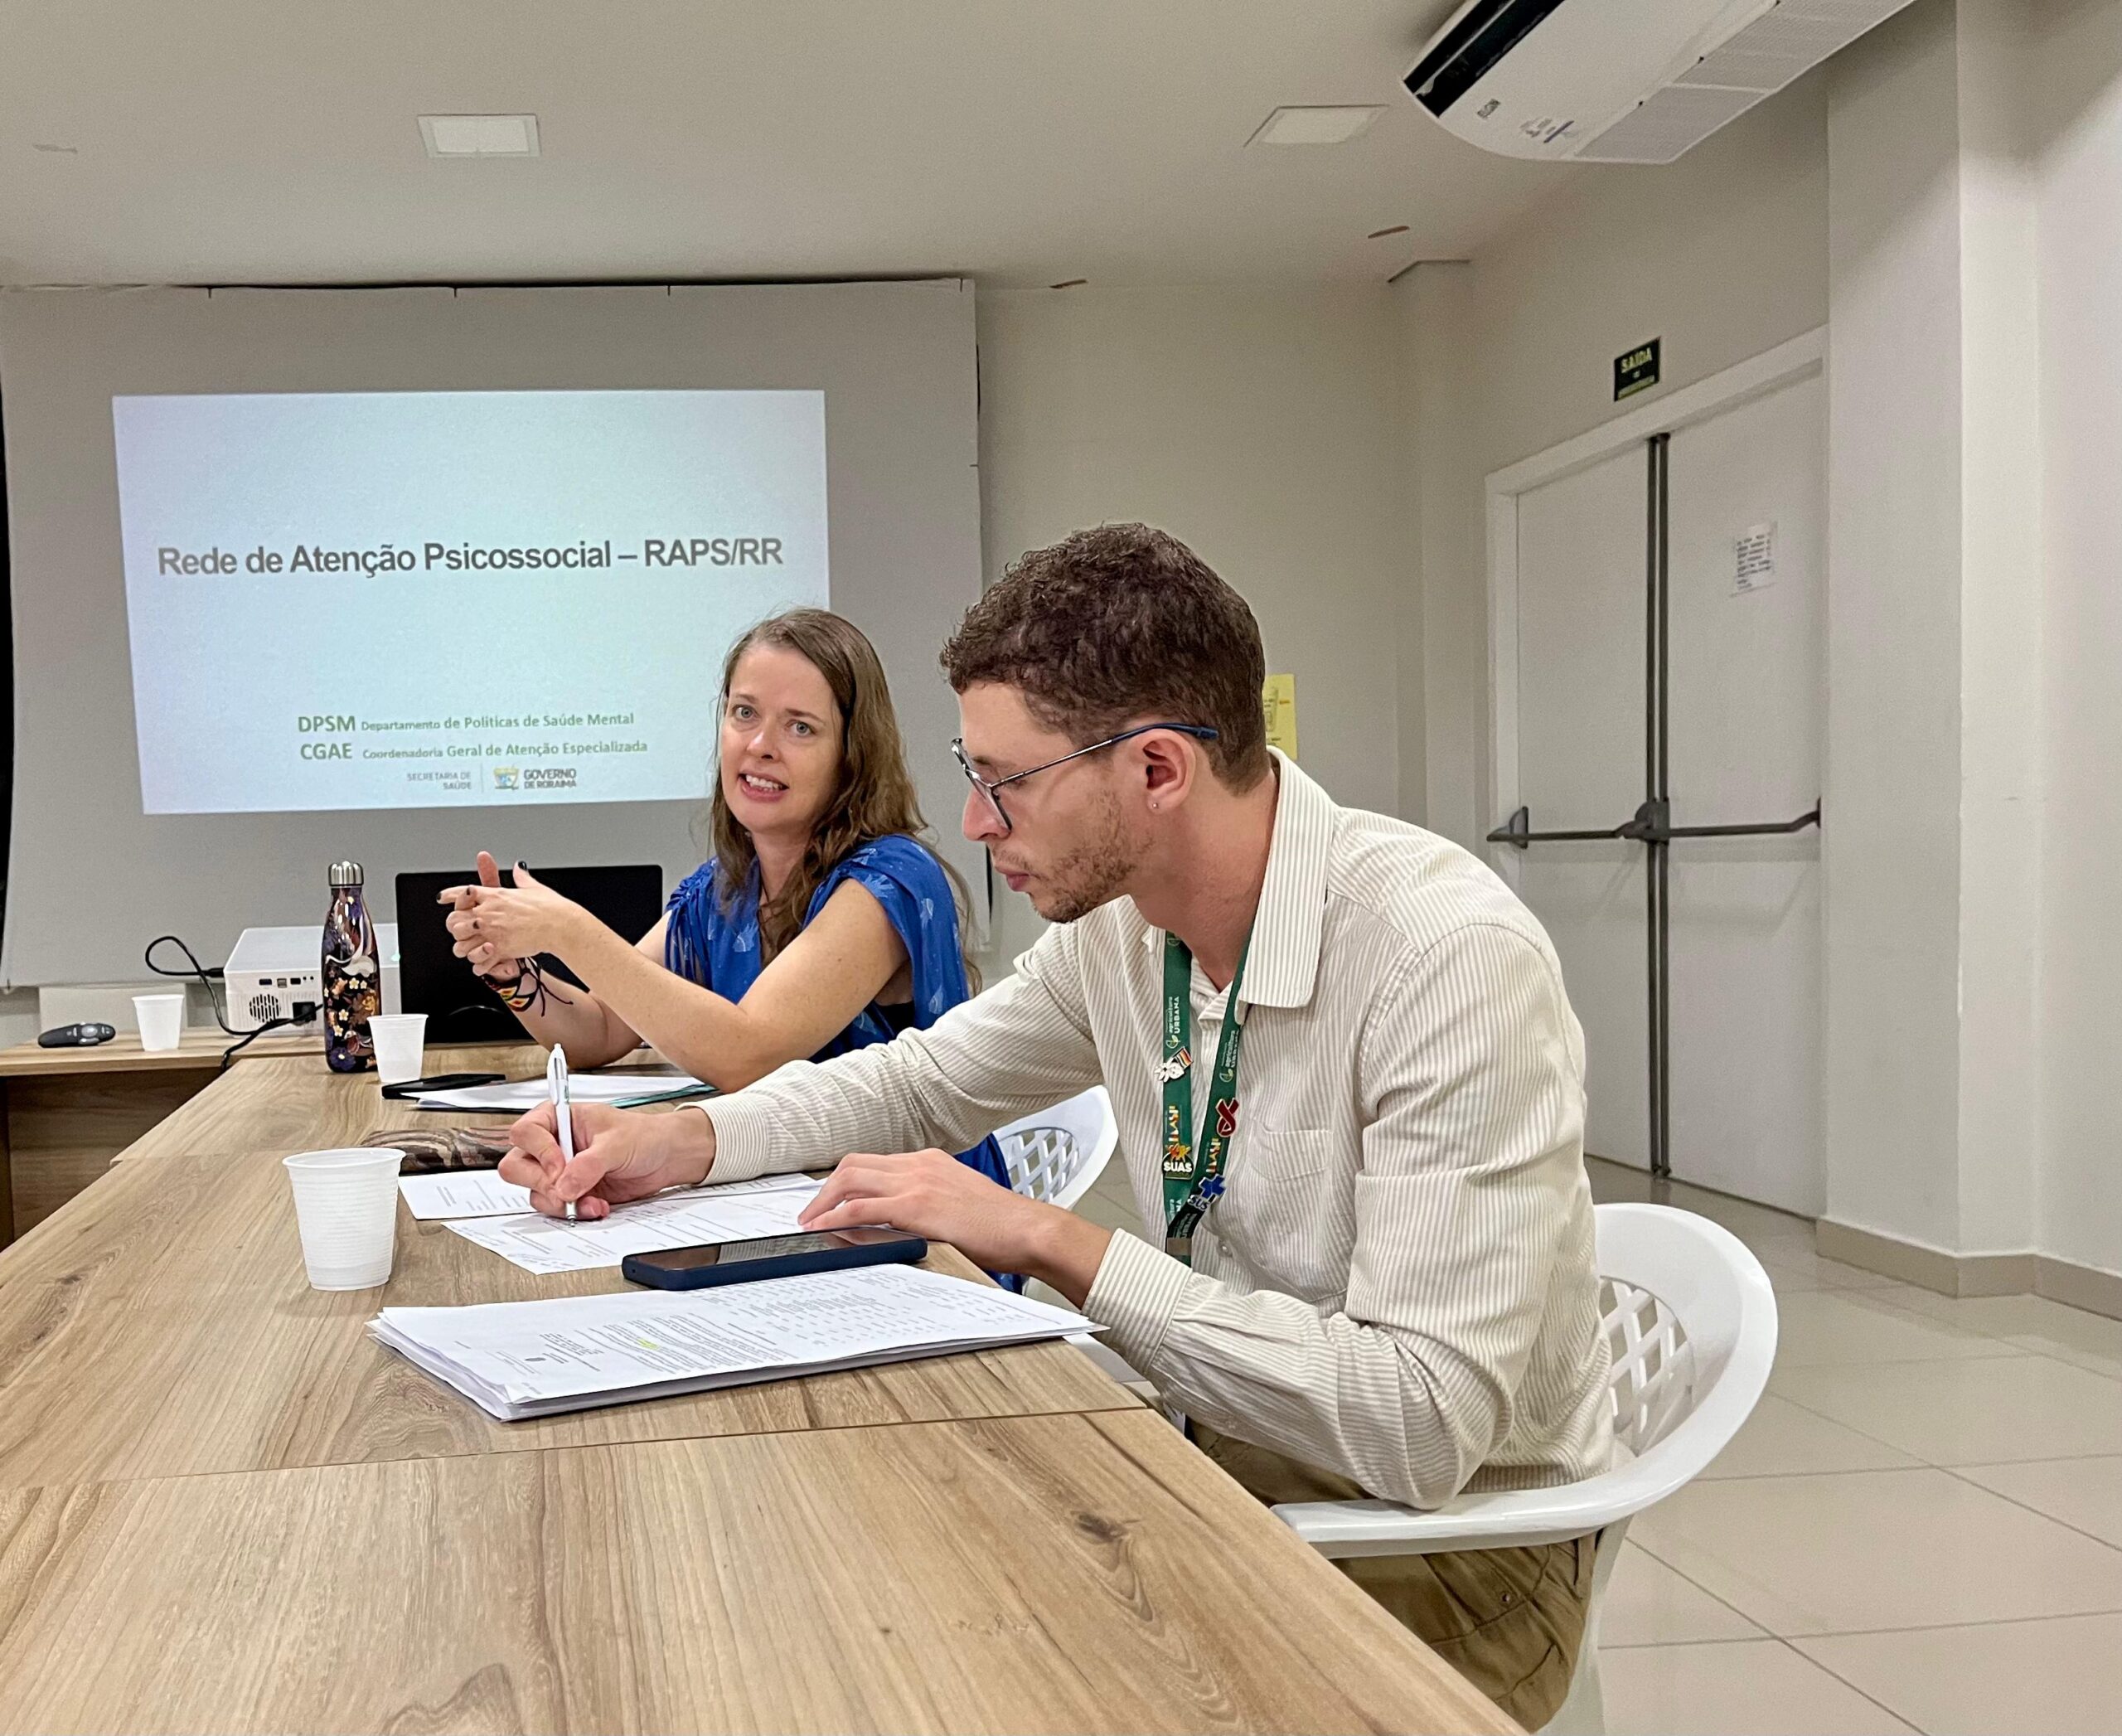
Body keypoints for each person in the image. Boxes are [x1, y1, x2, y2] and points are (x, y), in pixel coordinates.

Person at [501, 526, 1612, 1729]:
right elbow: (918, 1085)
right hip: (1225, 1454)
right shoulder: (1127, 934)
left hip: (1448, 1558)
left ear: (1157, 770)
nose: (977, 822)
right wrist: (687, 1143)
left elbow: (1420, 1425)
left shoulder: (1443, 963)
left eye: (1006, 780)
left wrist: (1049, 1239)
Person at [442, 607, 1009, 1188]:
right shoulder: (721, 890)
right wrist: (515, 971)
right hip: (777, 1193)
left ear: (851, 755)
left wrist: (570, 930)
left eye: (800, 727)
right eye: (744, 713)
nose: (760, 745)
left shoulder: (889, 880)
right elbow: (601, 1029)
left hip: (915, 1211)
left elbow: (749, 1055)